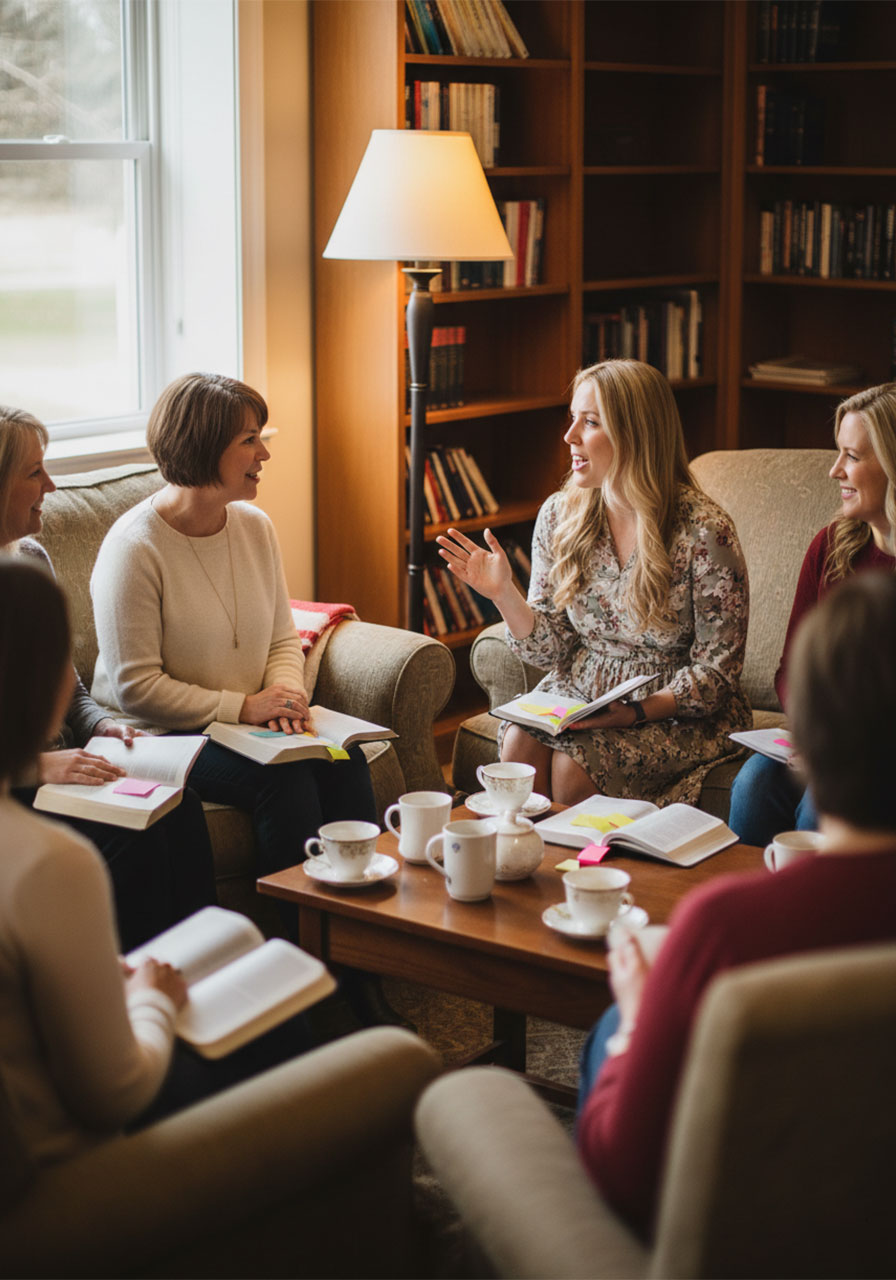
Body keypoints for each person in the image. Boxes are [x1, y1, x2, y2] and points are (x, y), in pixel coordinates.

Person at [576, 570, 896, 1241]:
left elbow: (627, 1177)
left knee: (608, 1032)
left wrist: (637, 1020)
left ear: (802, 737)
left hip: (737, 1242)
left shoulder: (721, 929)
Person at [89, 373, 377, 898]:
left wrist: (287, 698)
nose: (264, 453)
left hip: (244, 724)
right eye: (249, 440)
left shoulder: (254, 527)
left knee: (343, 761)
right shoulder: (134, 549)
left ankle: (362, 937)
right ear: (203, 446)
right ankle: (303, 947)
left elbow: (281, 640)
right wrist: (245, 706)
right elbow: (136, 688)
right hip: (153, 735)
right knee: (285, 781)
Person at [438, 359, 751, 806]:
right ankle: (530, 869)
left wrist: (636, 712)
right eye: (572, 419)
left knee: (571, 768)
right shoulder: (560, 515)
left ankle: (586, 875)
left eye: (590, 422)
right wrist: (503, 594)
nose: (569, 437)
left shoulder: (704, 531)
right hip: (580, 692)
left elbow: (717, 673)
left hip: (672, 709)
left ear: (635, 433)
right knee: (518, 750)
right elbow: (551, 649)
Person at [0, 406, 217, 951]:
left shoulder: (30, 558)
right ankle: (137, 989)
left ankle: (201, 967)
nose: (51, 485)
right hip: (18, 785)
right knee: (132, 840)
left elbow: (66, 682)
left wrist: (100, 726)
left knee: (178, 802)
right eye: (34, 473)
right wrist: (39, 765)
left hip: (73, 762)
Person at [728, 382, 896, 847]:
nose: (834, 470)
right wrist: (809, 727)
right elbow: (792, 667)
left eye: (852, 456)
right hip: (822, 733)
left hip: (880, 749)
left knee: (819, 806)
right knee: (752, 786)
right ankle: (761, 911)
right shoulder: (830, 546)